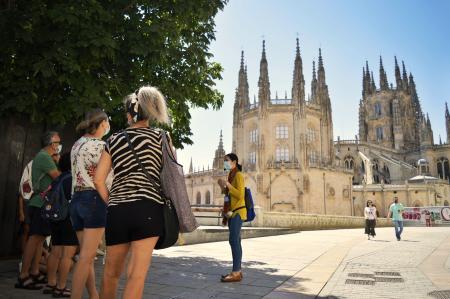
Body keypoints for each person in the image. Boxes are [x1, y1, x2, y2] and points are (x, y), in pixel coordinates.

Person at [95, 86, 170, 299]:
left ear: (130, 114)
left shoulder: (114, 140)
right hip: (149, 208)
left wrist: (113, 201)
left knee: (110, 273)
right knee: (136, 276)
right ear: (151, 112)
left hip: (118, 210)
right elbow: (171, 176)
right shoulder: (161, 137)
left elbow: (99, 180)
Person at [70, 109, 110, 299]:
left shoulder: (77, 144)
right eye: (107, 122)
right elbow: (106, 178)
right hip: (94, 200)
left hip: (76, 200)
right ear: (102, 123)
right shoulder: (101, 146)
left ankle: (94, 295)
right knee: (86, 258)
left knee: (86, 257)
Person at [15, 132, 61, 290]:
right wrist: (58, 163)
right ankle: (23, 275)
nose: (59, 145)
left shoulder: (44, 157)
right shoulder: (45, 157)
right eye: (57, 142)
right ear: (50, 143)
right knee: (34, 240)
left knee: (39, 240)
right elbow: (58, 177)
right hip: (40, 202)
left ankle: (34, 272)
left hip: (40, 202)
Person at [42, 153, 79, 297]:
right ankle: (61, 287)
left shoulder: (59, 178)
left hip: (55, 218)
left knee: (55, 252)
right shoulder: (71, 179)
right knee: (67, 256)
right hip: (68, 219)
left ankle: (51, 283)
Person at [217, 153, 246, 283]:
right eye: (224, 161)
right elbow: (229, 194)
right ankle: (237, 271)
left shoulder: (238, 175)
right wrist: (222, 187)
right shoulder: (231, 175)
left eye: (227, 161)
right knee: (235, 241)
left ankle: (236, 272)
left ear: (234, 161)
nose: (225, 163)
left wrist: (228, 186)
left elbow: (240, 195)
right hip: (231, 213)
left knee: (234, 241)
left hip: (238, 212)